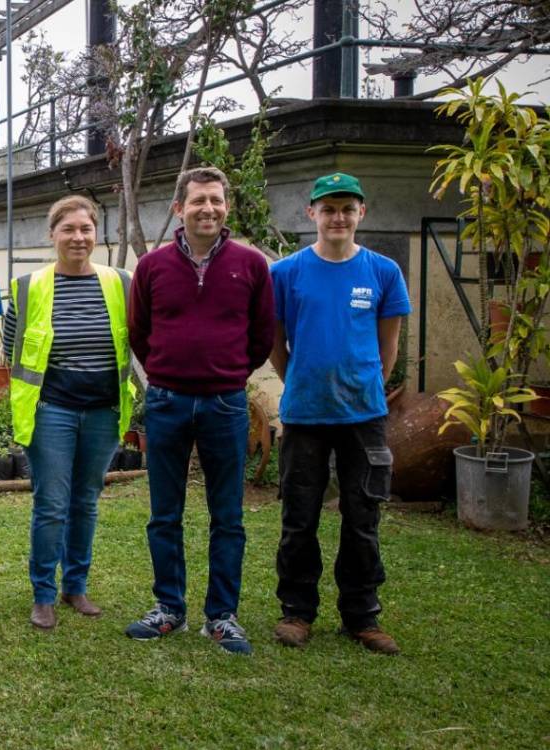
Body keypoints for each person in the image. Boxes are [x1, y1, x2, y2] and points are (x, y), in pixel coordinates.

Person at [125, 166, 274, 655]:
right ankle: (169, 608)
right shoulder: (153, 267)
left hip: (225, 403)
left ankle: (221, 616)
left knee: (227, 515)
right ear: (179, 209)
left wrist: (227, 373)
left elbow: (262, 336)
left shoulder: (251, 265)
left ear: (226, 206)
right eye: (197, 201)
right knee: (164, 513)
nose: (207, 209)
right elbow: (140, 331)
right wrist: (167, 371)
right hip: (167, 401)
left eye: (215, 200)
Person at [269, 173, 409, 655]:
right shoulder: (286, 273)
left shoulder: (383, 272)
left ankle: (362, 616)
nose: (338, 218)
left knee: (362, 516)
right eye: (328, 209)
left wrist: (365, 386)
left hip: (363, 416)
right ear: (311, 214)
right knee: (299, 516)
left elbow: (389, 346)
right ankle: (297, 611)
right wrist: (300, 379)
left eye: (347, 208)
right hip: (305, 413)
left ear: (361, 213)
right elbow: (275, 343)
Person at [3, 195, 136, 630]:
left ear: (96, 233)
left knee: (86, 502)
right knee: (52, 504)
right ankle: (43, 594)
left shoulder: (122, 283)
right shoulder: (28, 287)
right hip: (52, 412)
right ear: (52, 234)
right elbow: (12, 347)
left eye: (86, 229)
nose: (78, 237)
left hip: (103, 411)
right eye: (68, 229)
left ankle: (75, 587)